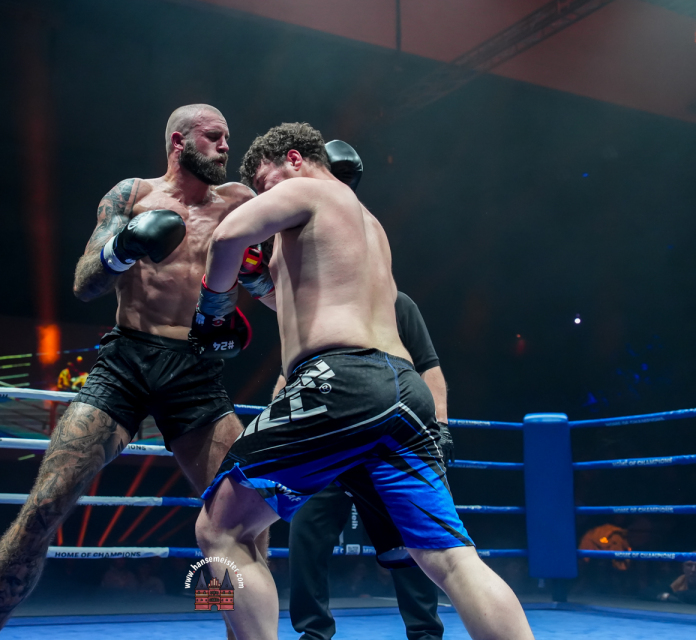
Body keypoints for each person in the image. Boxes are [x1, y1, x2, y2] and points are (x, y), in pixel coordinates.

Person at [189, 122, 533, 640]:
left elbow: (225, 236)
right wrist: (259, 281)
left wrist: (213, 310)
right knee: (451, 558)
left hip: (340, 384)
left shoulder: (306, 190)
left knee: (218, 529)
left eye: (264, 183)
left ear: (294, 159)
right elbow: (301, 301)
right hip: (402, 392)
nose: (264, 196)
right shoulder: (366, 222)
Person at [0, 104, 263, 640]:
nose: (225, 147)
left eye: (227, 138)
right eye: (214, 137)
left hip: (196, 369)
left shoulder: (240, 201)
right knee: (46, 503)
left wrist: (256, 279)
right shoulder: (132, 195)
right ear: (179, 142)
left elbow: (276, 275)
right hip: (127, 361)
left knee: (241, 524)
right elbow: (84, 282)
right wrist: (123, 248)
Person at [285, 291, 454, 640]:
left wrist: (440, 425)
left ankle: (424, 633)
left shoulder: (397, 304)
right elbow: (291, 375)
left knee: (409, 539)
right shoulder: (315, 306)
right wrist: (285, 428)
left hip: (384, 444)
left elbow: (428, 367)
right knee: (305, 536)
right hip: (327, 444)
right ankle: (313, 633)